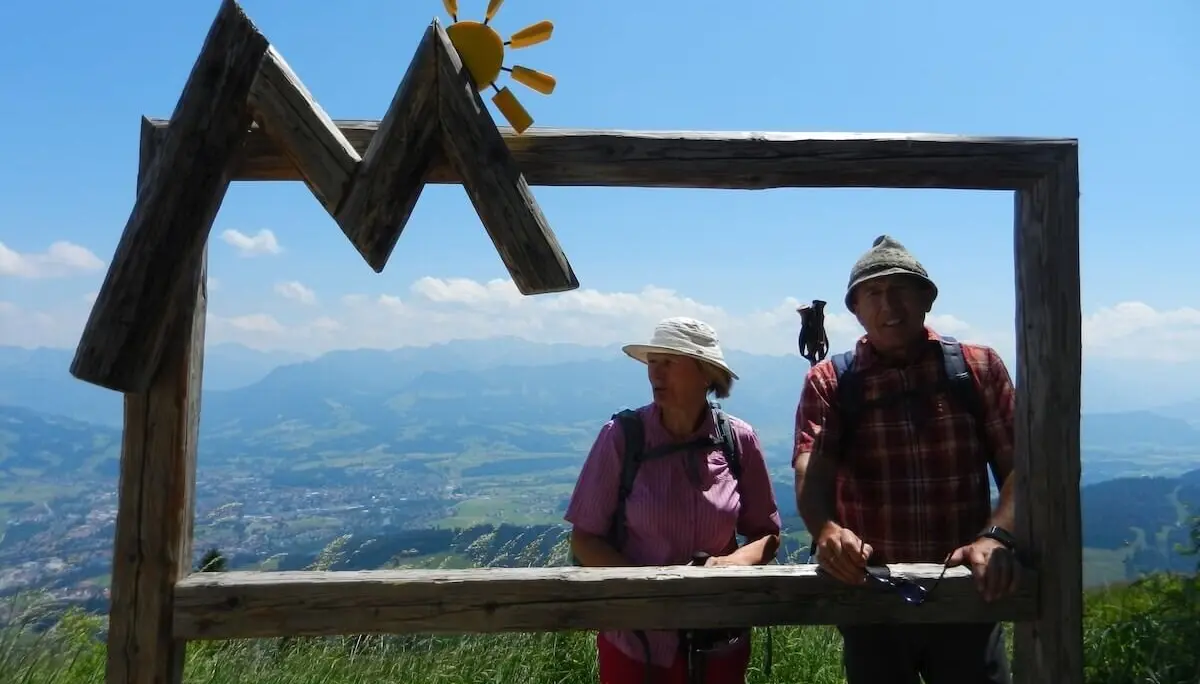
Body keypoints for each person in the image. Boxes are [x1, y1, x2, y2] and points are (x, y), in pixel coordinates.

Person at [793, 235, 1020, 684]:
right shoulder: (832, 381)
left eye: (901, 289)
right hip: (871, 595)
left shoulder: (977, 367)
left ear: (927, 299)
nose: (888, 304)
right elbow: (810, 471)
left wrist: (997, 536)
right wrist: (826, 530)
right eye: (873, 294)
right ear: (855, 309)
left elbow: (1019, 466)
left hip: (965, 590)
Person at [565, 316, 783, 684]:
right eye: (653, 362)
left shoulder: (739, 441)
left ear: (706, 373)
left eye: (669, 362)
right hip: (635, 641)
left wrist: (734, 562)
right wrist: (650, 594)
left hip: (718, 639)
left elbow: (767, 535)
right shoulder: (622, 437)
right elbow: (585, 539)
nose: (655, 374)